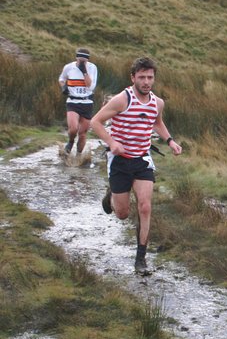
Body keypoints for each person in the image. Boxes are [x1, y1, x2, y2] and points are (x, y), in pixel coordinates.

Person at [90, 57, 182, 275]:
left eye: (150, 77)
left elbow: (157, 122)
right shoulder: (122, 100)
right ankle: (111, 196)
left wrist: (170, 141)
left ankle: (141, 259)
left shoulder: (157, 103)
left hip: (142, 159)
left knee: (145, 206)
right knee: (122, 214)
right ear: (133, 78)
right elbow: (95, 122)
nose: (146, 82)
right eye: (142, 77)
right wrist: (112, 143)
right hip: (120, 161)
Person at [58, 48, 98, 154]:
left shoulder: (92, 68)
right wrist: (63, 87)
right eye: (80, 60)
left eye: (84, 61)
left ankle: (79, 156)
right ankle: (71, 141)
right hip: (72, 102)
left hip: (87, 102)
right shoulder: (68, 67)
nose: (82, 63)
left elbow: (90, 87)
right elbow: (61, 79)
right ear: (76, 58)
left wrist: (84, 71)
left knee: (82, 134)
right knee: (73, 129)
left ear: (87, 60)